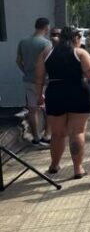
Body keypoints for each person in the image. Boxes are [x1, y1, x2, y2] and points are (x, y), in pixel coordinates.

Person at [35, 26, 90, 178]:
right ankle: (78, 168)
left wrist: (39, 96)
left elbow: (39, 77)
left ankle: (54, 165)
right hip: (78, 91)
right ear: (76, 38)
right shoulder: (80, 53)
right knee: (77, 132)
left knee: (57, 134)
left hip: (55, 92)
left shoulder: (46, 53)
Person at [17, 17, 52, 146]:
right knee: (49, 109)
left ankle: (36, 137)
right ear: (46, 27)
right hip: (44, 81)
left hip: (28, 80)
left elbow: (18, 61)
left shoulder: (23, 41)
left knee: (32, 109)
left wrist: (25, 71)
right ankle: (47, 136)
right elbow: (48, 63)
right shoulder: (46, 44)